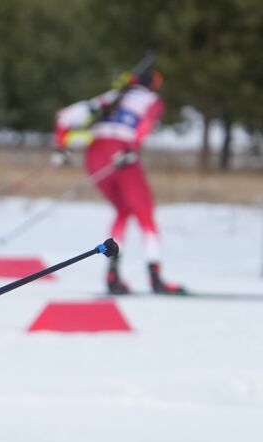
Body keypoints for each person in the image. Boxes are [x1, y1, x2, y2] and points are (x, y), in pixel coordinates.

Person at [54, 67, 186, 295]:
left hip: (94, 156)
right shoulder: (151, 99)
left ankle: (112, 275)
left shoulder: (111, 96)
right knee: (145, 213)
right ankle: (155, 277)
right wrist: (131, 148)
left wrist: (61, 146)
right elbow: (145, 123)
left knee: (123, 211)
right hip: (120, 153)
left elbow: (64, 117)